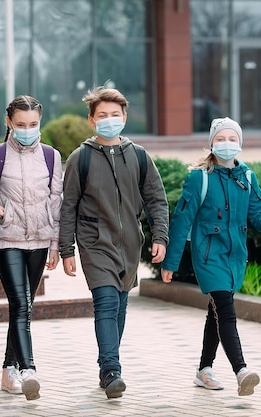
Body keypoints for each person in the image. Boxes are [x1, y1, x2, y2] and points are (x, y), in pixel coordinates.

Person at [59, 87, 170, 399]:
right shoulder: (80, 158)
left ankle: (106, 364)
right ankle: (111, 370)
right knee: (106, 302)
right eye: (102, 116)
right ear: (92, 121)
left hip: (130, 244)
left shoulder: (139, 156)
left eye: (115, 115)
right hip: (95, 243)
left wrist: (160, 236)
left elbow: (156, 200)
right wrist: (67, 249)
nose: (109, 120)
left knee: (120, 305)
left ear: (124, 117)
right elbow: (68, 207)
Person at [160, 117, 261, 396]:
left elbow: (259, 210)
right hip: (208, 255)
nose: (226, 144)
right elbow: (181, 221)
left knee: (215, 311)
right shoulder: (199, 178)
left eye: (232, 139)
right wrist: (171, 263)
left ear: (239, 143)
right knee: (226, 310)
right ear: (211, 143)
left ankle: (204, 370)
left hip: (235, 255)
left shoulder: (246, 177)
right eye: (220, 139)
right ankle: (242, 371)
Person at [0, 95, 63, 400]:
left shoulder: (51, 156)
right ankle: (29, 369)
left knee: (24, 307)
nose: (27, 129)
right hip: (8, 240)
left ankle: (8, 372)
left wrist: (56, 244)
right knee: (20, 304)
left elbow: (56, 203)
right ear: (9, 123)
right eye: (20, 124)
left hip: (40, 241)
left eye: (33, 124)